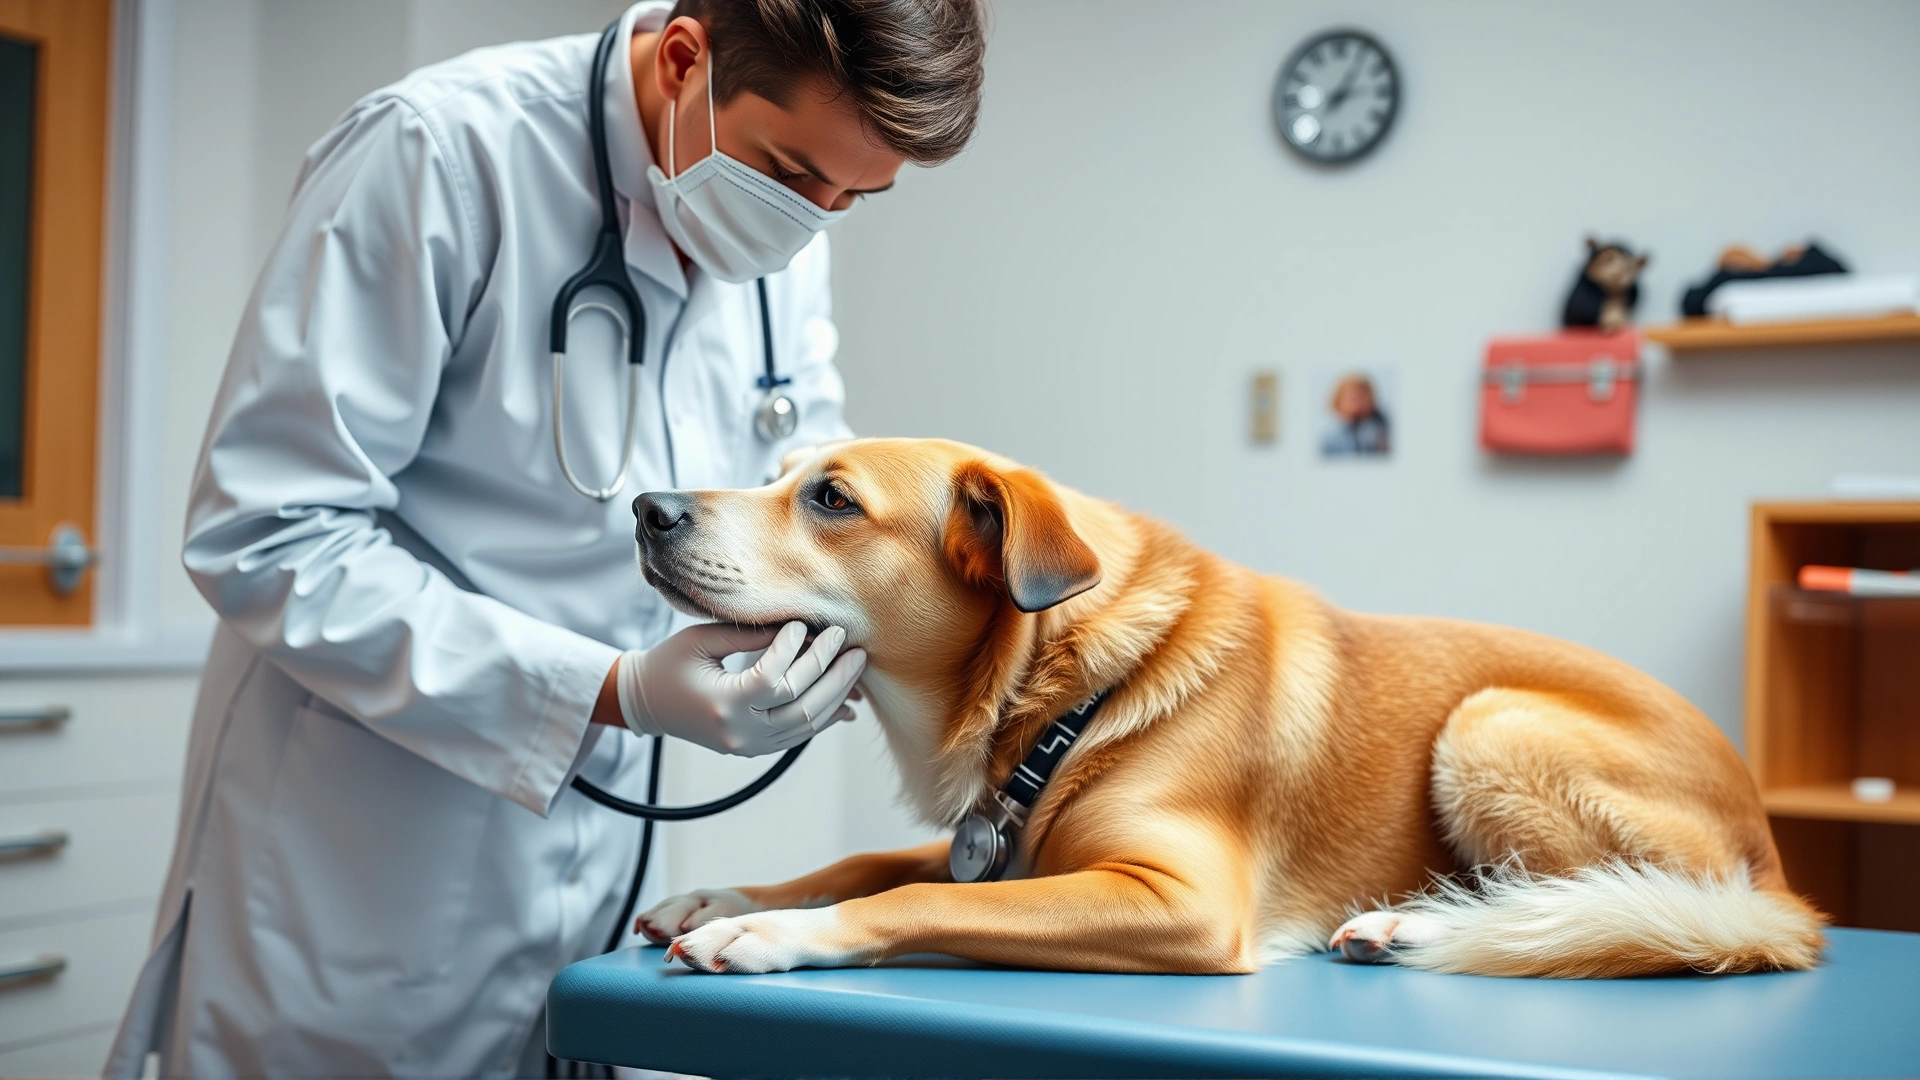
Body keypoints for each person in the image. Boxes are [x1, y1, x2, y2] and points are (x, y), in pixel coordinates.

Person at [104, 2, 986, 1076]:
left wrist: (837, 608)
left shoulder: (782, 229)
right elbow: (270, 533)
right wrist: (611, 689)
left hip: (597, 864)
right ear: (682, 61)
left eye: (856, 196)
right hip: (363, 871)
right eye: (797, 173)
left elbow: (797, 455)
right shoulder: (441, 155)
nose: (815, 217)